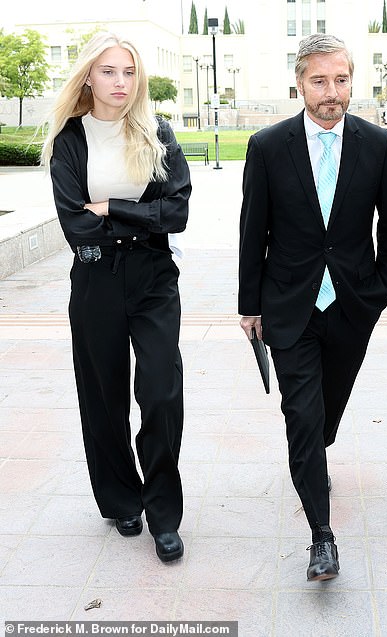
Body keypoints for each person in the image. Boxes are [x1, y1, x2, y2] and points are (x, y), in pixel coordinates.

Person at [239, 34, 387, 581]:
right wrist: (249, 305)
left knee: (326, 414)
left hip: (353, 305)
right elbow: (252, 232)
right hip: (288, 304)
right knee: (303, 417)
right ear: (299, 84)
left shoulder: (379, 145)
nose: (331, 92)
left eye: (340, 80)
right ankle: (322, 534)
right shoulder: (268, 147)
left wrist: (382, 291)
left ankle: (315, 453)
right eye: (319, 81)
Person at [41, 32, 191, 563]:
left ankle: (164, 514)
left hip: (153, 280)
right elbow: (75, 226)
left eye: (129, 72)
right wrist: (130, 217)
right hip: (96, 280)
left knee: (161, 392)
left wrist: (110, 208)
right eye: (109, 71)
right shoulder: (69, 140)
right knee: (104, 397)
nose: (120, 82)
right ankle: (122, 500)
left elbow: (178, 214)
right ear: (88, 77)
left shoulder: (157, 133)